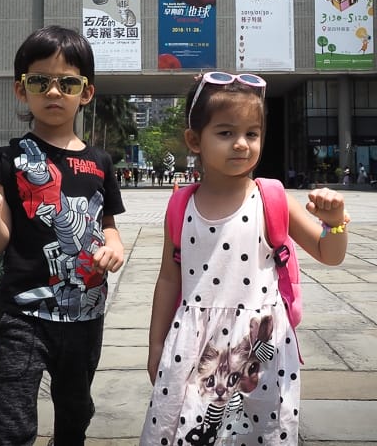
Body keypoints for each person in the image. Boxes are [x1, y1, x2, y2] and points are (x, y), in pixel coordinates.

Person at [141, 72, 349, 446]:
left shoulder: (272, 198)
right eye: (225, 133)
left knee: (259, 432)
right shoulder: (180, 205)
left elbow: (328, 254)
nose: (241, 144)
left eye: (251, 134)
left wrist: (334, 225)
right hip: (195, 345)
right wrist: (156, 344)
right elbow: (168, 279)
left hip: (260, 347)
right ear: (194, 140)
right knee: (185, 431)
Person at [0, 25, 126, 445]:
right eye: (40, 81)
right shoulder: (4, 161)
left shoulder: (100, 163)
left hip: (85, 317)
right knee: (10, 425)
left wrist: (114, 246)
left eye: (68, 82)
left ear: (85, 93)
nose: (54, 92)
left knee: (75, 412)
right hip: (23, 317)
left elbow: (109, 225)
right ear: (22, 90)